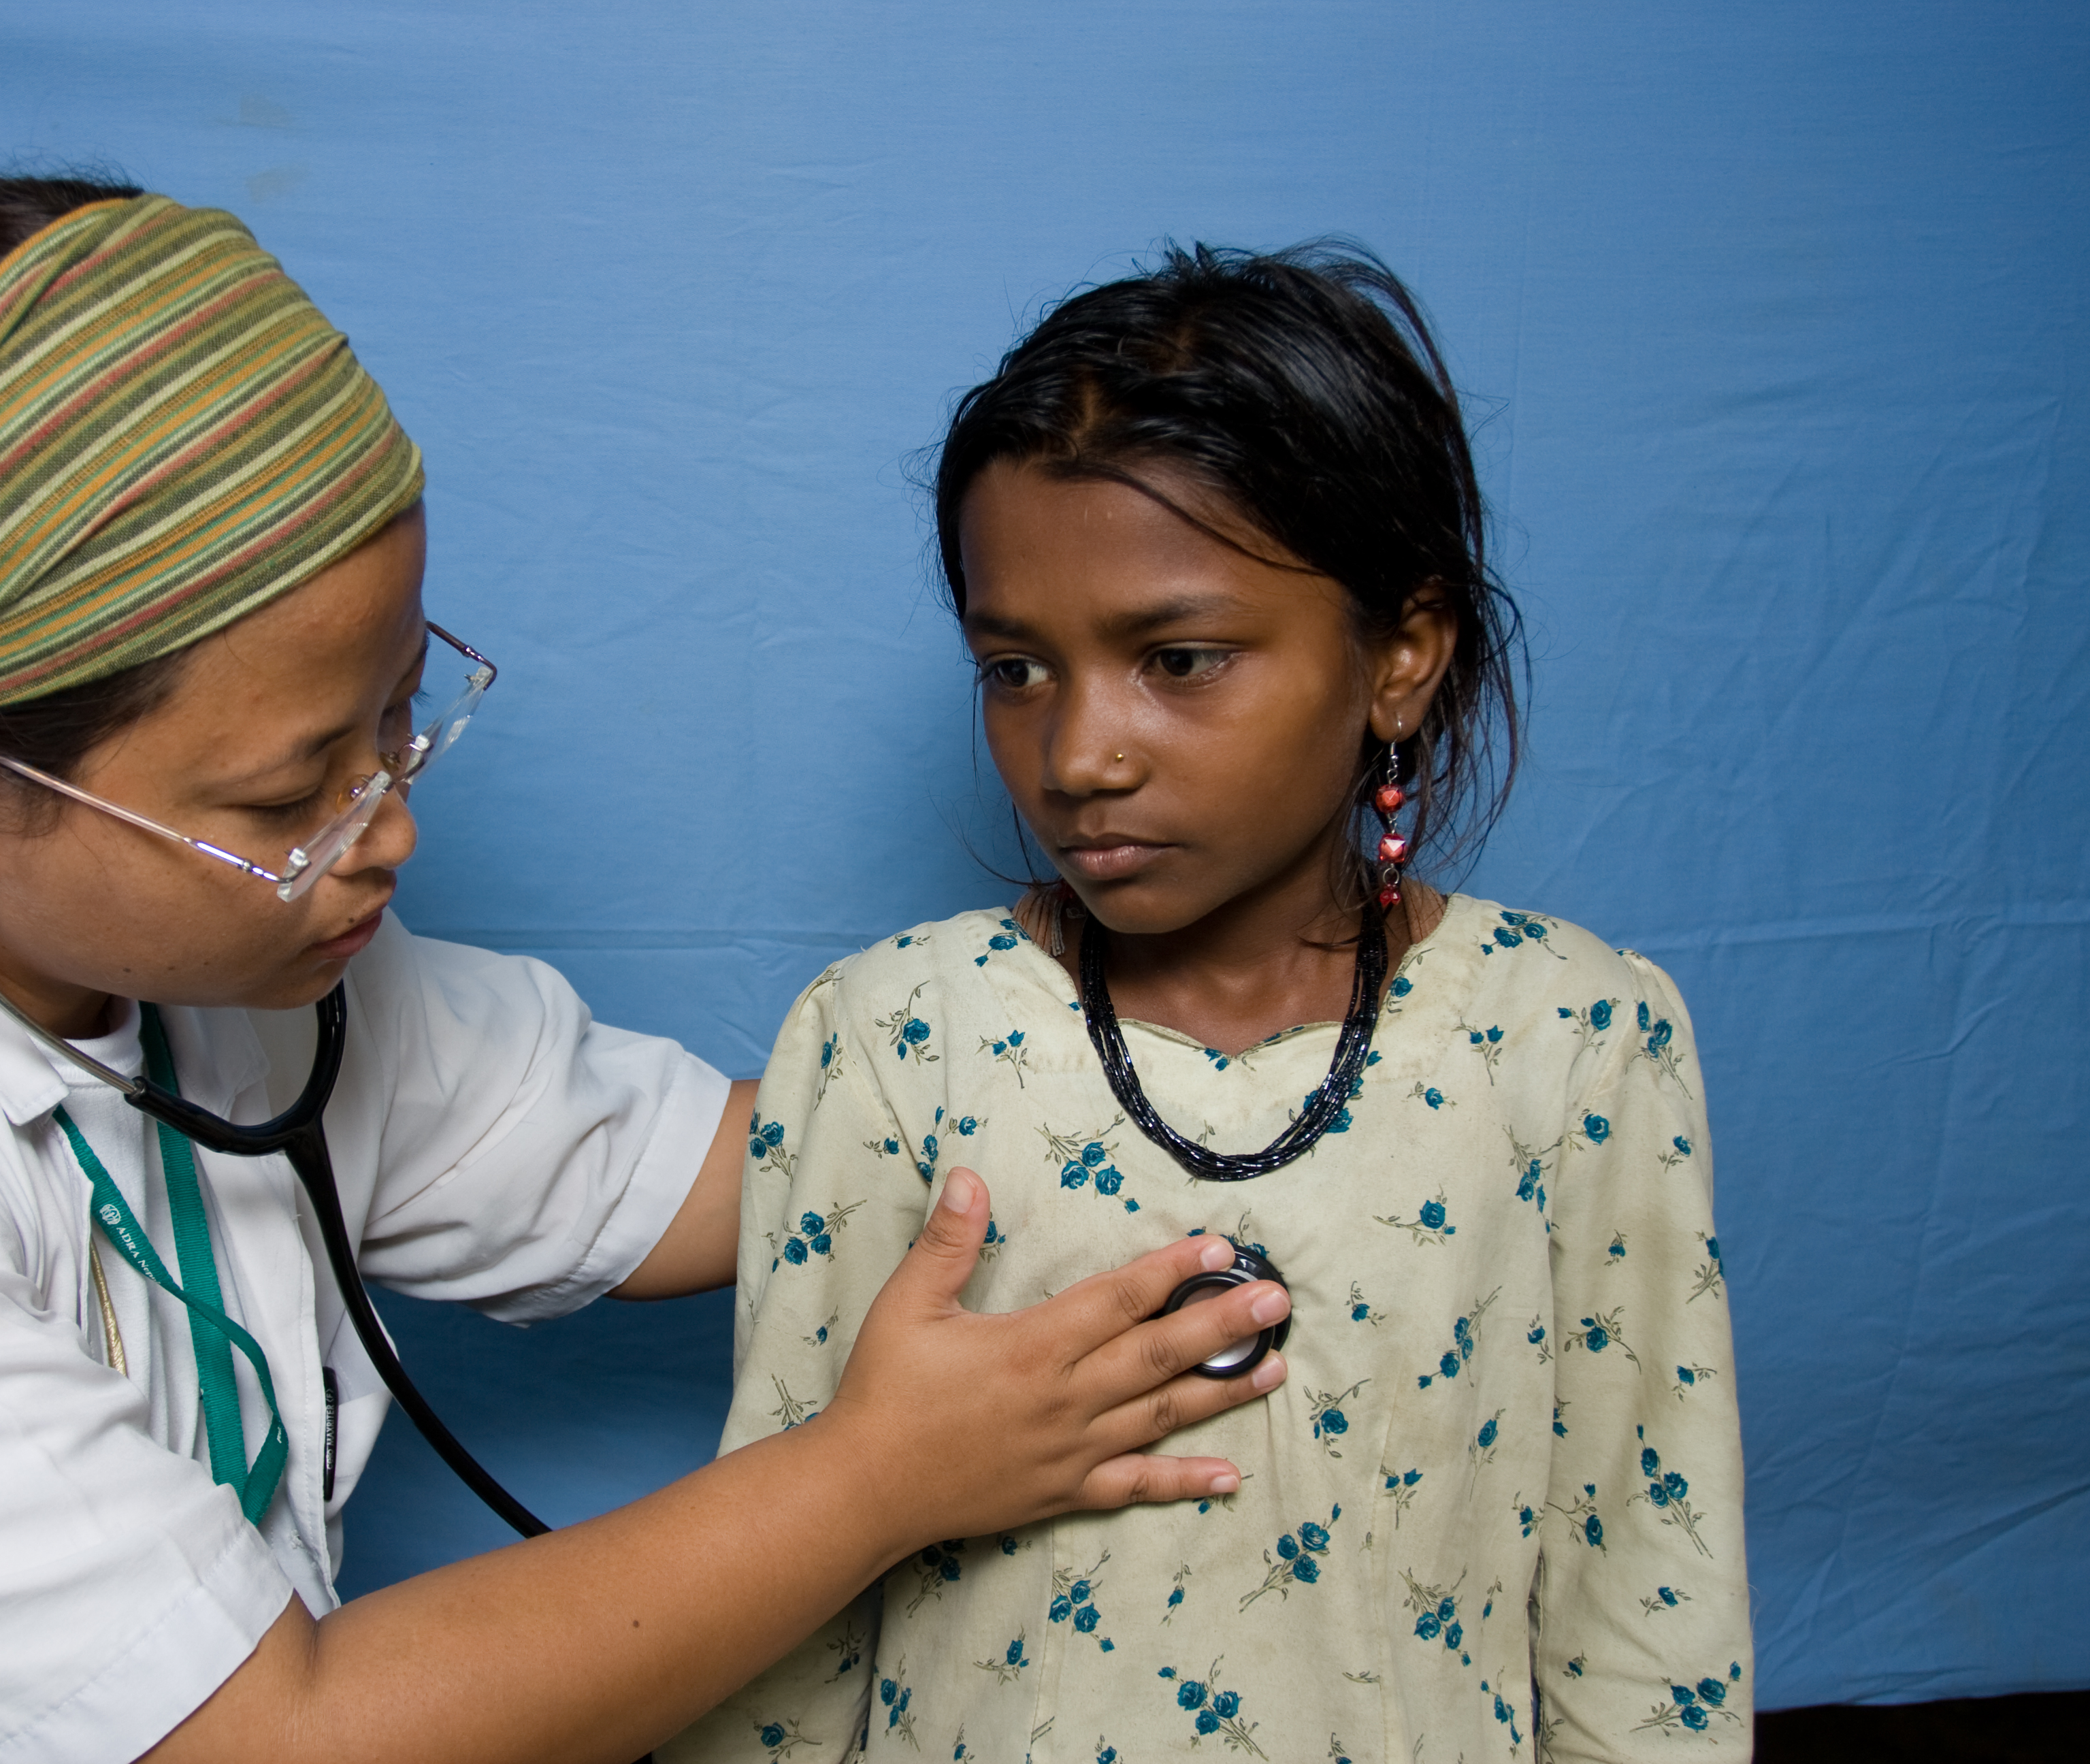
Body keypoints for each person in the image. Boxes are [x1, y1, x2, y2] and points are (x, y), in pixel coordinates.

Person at [0, 176, 1299, 1764]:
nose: (386, 827)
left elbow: (699, 1170)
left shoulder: (163, 922)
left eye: (395, 711)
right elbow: (254, 1741)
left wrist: (1215, 1096)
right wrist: (879, 1479)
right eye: (296, 785)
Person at [664, 246, 1751, 1763]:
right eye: (1016, 667)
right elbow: (777, 1591)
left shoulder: (1577, 1036)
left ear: (1403, 655)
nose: (1081, 752)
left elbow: (1648, 1579)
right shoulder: (898, 1035)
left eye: (1179, 659)